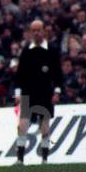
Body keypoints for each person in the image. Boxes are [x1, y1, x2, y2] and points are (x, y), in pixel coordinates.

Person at [13, 19, 63, 164]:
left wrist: (57, 92)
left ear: (44, 31)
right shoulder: (26, 51)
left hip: (45, 92)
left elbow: (57, 74)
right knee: (22, 126)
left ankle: (44, 159)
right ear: (30, 32)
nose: (36, 33)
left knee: (45, 127)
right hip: (28, 92)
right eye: (33, 30)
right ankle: (20, 159)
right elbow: (19, 74)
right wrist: (17, 93)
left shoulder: (51, 50)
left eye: (38, 30)